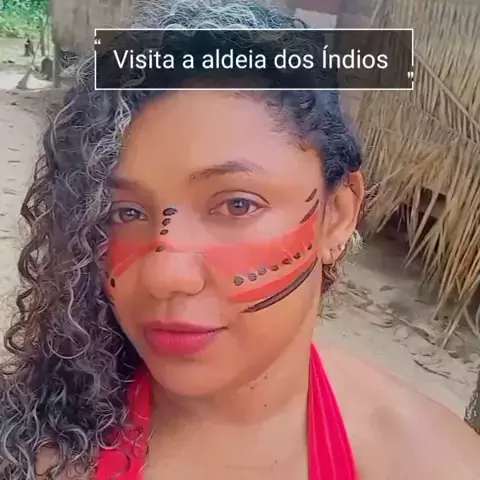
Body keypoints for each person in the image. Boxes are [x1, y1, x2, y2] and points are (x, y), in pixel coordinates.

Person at [0, 1, 479, 479]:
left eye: (237, 205)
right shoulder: (38, 450)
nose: (164, 274)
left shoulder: (435, 463)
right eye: (125, 212)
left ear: (336, 215)